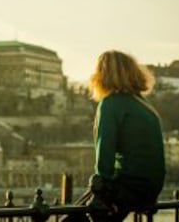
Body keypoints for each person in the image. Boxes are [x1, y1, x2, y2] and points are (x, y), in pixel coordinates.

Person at [65, 50, 166, 222]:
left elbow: (105, 151)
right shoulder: (143, 105)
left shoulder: (111, 104)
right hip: (151, 188)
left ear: (101, 75)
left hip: (128, 186)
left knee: (74, 217)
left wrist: (100, 186)